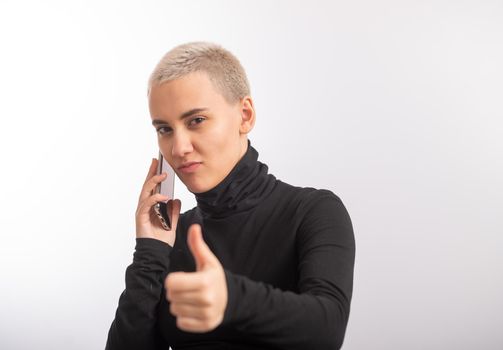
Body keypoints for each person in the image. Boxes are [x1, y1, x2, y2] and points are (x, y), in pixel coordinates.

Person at [105, 41, 355, 350]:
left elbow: (327, 330)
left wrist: (232, 298)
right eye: (164, 129)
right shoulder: (170, 238)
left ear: (245, 116)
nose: (178, 148)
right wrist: (149, 255)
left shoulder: (312, 211)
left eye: (196, 120)